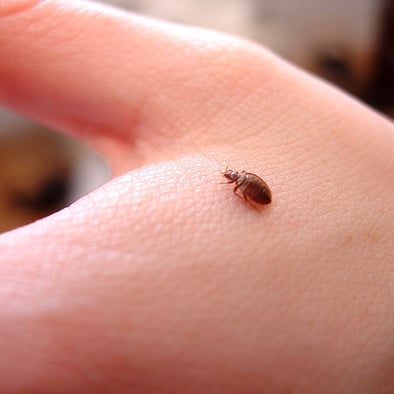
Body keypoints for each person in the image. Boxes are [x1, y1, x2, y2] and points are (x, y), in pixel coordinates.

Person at [0, 0, 393, 392]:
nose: (233, 180)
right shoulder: (242, 182)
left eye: (233, 176)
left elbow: (254, 191)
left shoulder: (245, 184)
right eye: (235, 178)